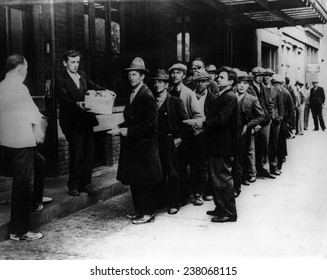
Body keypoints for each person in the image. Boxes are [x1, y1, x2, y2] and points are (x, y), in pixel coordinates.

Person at [56, 50, 115, 196]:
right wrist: (77, 104)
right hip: (71, 121)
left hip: (86, 120)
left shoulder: (82, 75)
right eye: (72, 62)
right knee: (77, 152)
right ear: (65, 63)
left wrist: (107, 91)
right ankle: (73, 185)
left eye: (77, 62)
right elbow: (63, 97)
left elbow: (92, 85)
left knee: (89, 152)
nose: (75, 65)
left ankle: (85, 184)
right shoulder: (60, 78)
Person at [0, 54, 45, 241]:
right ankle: (19, 231)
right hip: (21, 142)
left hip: (7, 141)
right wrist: (40, 129)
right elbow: (34, 115)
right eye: (25, 69)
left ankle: (35, 202)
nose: (26, 73)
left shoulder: (1, 86)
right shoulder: (20, 88)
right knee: (23, 186)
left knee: (40, 162)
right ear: (20, 69)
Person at [116, 57, 162, 224]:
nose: (131, 77)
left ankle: (147, 213)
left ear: (142, 76)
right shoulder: (134, 93)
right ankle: (139, 210)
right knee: (135, 179)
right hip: (134, 145)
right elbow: (132, 119)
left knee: (144, 181)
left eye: (134, 74)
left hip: (144, 146)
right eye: (129, 74)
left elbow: (151, 124)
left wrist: (128, 130)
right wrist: (120, 127)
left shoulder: (147, 96)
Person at [193, 66, 238, 223]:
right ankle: (220, 207)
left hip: (222, 144)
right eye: (218, 76)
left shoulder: (229, 96)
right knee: (217, 178)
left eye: (222, 77)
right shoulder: (223, 95)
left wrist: (202, 124)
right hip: (217, 143)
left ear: (231, 82)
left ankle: (229, 212)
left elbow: (221, 120)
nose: (218, 79)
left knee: (223, 178)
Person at [151, 69, 189, 214]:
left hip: (170, 141)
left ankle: (174, 203)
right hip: (155, 142)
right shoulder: (151, 100)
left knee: (173, 174)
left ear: (166, 85)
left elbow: (185, 122)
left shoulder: (175, 101)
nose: (157, 85)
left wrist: (179, 139)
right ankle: (159, 201)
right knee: (157, 172)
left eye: (160, 82)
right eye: (155, 82)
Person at [168, 63, 202, 205]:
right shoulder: (168, 90)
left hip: (187, 136)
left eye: (178, 73)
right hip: (173, 134)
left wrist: (189, 133)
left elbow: (197, 114)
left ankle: (188, 195)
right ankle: (176, 196)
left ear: (183, 75)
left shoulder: (188, 93)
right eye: (173, 73)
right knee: (174, 168)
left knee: (185, 167)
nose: (175, 75)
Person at [232, 70, 265, 197]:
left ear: (248, 85)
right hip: (228, 133)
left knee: (238, 160)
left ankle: (236, 187)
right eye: (239, 82)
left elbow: (261, 116)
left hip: (241, 133)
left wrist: (248, 125)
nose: (241, 85)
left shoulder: (252, 99)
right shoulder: (230, 96)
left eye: (245, 83)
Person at [190, 71, 216, 205]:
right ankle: (193, 191)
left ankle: (201, 193)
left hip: (205, 135)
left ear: (208, 82)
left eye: (204, 81)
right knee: (193, 164)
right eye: (198, 81)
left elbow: (214, 119)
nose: (201, 84)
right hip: (191, 135)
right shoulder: (190, 95)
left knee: (204, 165)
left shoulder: (212, 98)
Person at [248, 67, 275, 179]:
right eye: (258, 76)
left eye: (261, 76)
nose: (260, 78)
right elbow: (250, 108)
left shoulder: (264, 88)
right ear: (253, 76)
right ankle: (252, 172)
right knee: (252, 149)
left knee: (264, 147)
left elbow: (270, 104)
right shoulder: (250, 88)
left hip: (265, 122)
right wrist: (256, 123)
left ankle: (264, 169)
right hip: (255, 122)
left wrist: (269, 117)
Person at [263, 68, 284, 176]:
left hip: (275, 120)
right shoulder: (261, 88)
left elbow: (280, 104)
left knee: (274, 144)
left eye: (269, 76)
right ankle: (264, 168)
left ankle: (274, 166)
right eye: (265, 75)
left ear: (271, 78)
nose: (267, 78)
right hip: (265, 119)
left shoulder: (276, 89)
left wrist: (280, 116)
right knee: (265, 144)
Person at [272, 75, 295, 171]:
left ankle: (279, 164)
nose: (277, 86)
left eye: (279, 84)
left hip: (284, 121)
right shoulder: (272, 93)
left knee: (281, 143)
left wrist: (289, 124)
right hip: (274, 121)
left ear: (282, 84)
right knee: (274, 143)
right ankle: (274, 162)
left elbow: (291, 110)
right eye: (275, 84)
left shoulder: (286, 93)